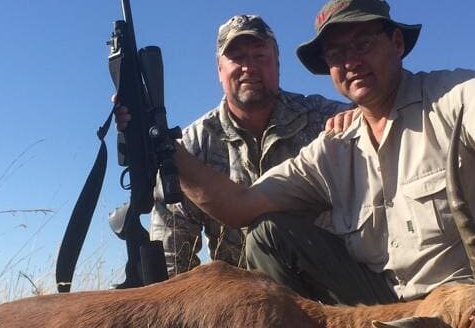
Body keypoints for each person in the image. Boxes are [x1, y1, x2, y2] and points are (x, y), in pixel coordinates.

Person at [174, 0, 475, 305]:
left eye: (363, 44)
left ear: (396, 43)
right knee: (269, 236)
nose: (351, 60)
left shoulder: (455, 94)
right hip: (399, 311)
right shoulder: (333, 146)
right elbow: (239, 205)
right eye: (337, 53)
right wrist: (163, 150)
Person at [150, 14, 351, 274]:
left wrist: (359, 116)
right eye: (237, 58)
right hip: (238, 302)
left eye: (260, 56)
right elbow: (171, 250)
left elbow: (373, 117)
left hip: (324, 291)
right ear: (219, 69)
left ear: (277, 64)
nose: (249, 67)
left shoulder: (326, 120)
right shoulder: (189, 148)